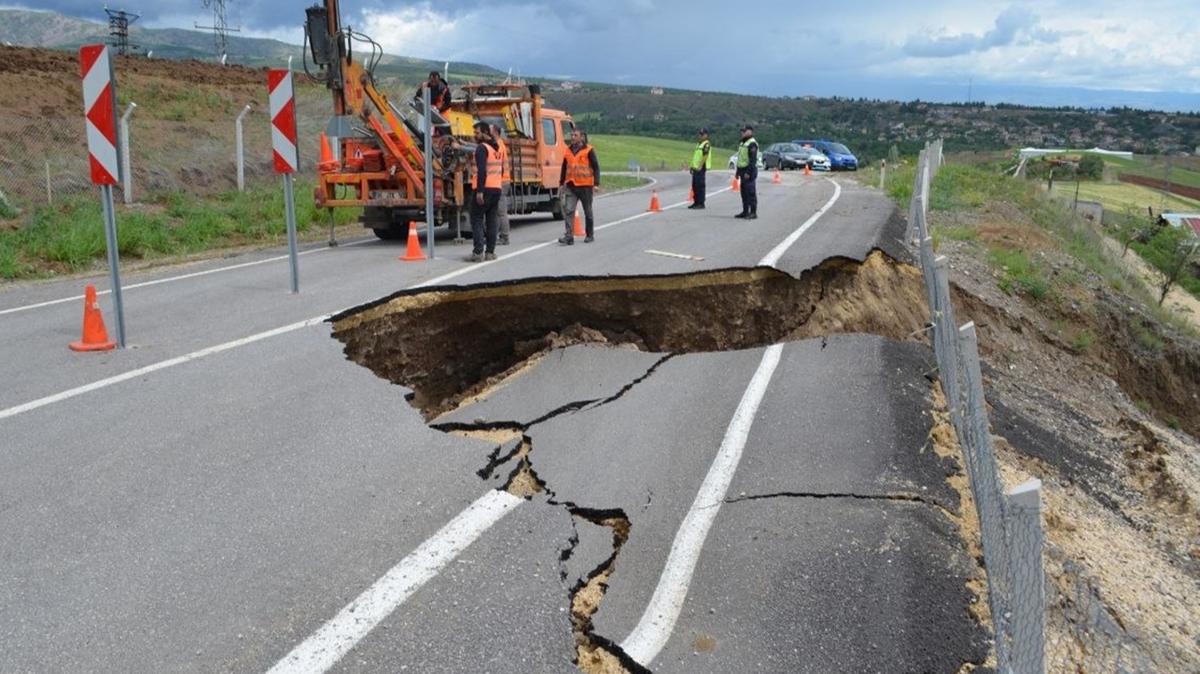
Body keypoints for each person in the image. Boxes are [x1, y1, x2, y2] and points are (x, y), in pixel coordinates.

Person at [558, 127, 600, 245]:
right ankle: (569, 236)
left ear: (581, 137)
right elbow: (564, 167)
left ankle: (590, 235)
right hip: (571, 185)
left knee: (588, 211)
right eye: (571, 135)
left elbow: (596, 167)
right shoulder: (568, 150)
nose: (572, 137)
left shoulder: (589, 150)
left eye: (575, 135)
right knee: (569, 210)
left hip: (585, 186)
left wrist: (596, 183)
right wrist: (561, 183)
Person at [468, 121, 502, 261]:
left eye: (477, 133)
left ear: (485, 133)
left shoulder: (482, 148)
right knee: (491, 220)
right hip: (496, 188)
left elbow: (482, 171)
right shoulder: (496, 148)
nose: (475, 135)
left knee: (476, 218)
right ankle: (490, 252)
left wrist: (480, 191)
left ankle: (478, 252)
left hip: (484, 188)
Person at [491, 123, 512, 246]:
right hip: (501, 180)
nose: (489, 133)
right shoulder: (500, 144)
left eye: (490, 131)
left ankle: (504, 237)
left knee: (501, 211)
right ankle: (500, 235)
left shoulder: (498, 145)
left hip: (501, 181)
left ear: (496, 133)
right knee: (498, 211)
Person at [735, 124, 759, 219]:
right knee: (744, 192)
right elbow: (740, 158)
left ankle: (753, 212)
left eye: (744, 131)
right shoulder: (743, 143)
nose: (742, 133)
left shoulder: (752, 143)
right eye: (742, 131)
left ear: (750, 132)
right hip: (742, 170)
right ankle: (745, 211)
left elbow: (752, 160)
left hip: (749, 170)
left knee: (750, 192)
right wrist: (737, 172)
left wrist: (748, 172)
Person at [688, 128, 712, 209]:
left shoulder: (706, 144)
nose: (700, 136)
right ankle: (696, 202)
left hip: (701, 168)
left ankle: (701, 203)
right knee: (694, 186)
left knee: (700, 186)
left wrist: (700, 166)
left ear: (706, 135)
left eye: (702, 134)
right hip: (695, 168)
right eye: (699, 134)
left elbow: (705, 156)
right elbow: (695, 157)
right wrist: (692, 166)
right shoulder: (699, 144)